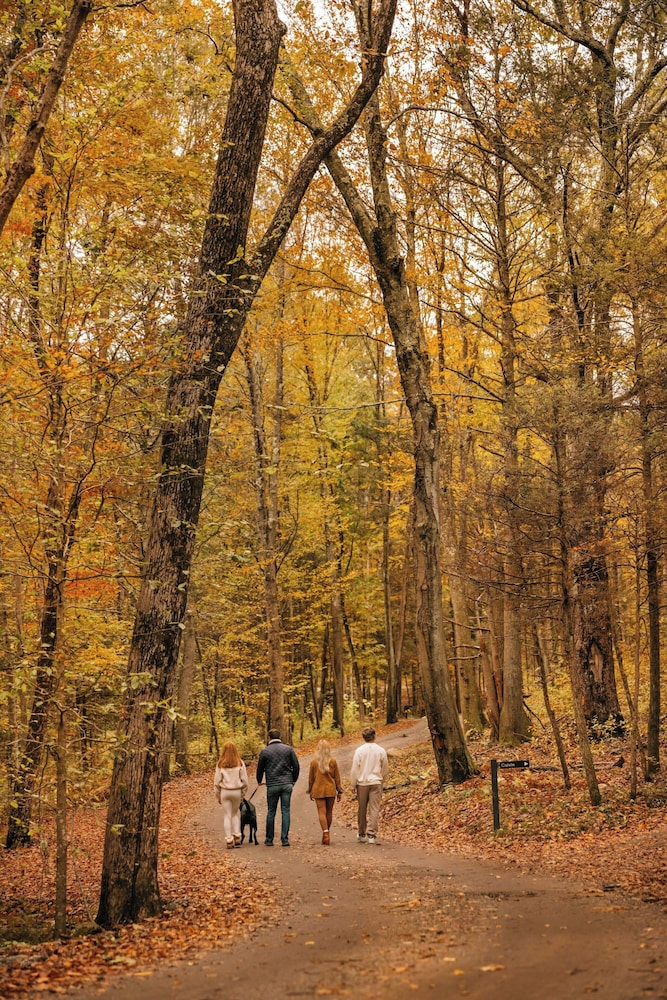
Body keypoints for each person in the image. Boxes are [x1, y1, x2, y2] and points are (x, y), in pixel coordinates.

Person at [256, 728, 300, 847]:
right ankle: (284, 839)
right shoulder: (288, 749)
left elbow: (260, 768)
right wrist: (294, 779)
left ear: (269, 738)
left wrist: (259, 780)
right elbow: (296, 765)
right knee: (285, 810)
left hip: (272, 785)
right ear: (279, 737)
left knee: (271, 811)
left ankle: (269, 839)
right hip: (287, 784)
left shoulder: (265, 751)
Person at [349, 726, 388, 844]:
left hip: (362, 783)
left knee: (362, 808)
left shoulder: (359, 751)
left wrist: (353, 784)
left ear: (364, 737)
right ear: (374, 736)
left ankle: (361, 833)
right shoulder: (381, 750)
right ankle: (371, 834)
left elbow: (355, 769)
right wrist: (382, 780)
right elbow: (385, 768)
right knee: (374, 808)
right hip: (376, 782)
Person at [214, 741, 249, 849]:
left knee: (227, 815)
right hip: (236, 791)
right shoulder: (240, 763)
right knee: (235, 814)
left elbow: (217, 782)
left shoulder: (220, 764)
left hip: (225, 791)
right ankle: (237, 836)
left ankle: (229, 839)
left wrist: (218, 795)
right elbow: (245, 781)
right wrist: (242, 794)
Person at [307, 739, 343, 845]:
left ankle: (325, 832)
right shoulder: (333, 761)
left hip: (318, 789)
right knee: (329, 812)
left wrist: (310, 790)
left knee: (321, 812)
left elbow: (311, 779)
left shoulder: (314, 762)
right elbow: (337, 777)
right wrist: (339, 790)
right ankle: (326, 833)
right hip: (330, 789)